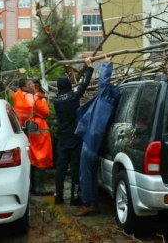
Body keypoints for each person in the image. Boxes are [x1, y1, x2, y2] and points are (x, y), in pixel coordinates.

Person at [74, 56, 119, 216]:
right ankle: (92, 203)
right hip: (93, 141)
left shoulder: (105, 101)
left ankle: (89, 204)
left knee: (86, 175)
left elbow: (103, 82)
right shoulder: (109, 103)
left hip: (91, 142)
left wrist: (106, 63)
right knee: (91, 175)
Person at [51, 57, 94, 205]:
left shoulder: (56, 100)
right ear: (69, 85)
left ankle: (59, 197)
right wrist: (89, 67)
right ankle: (75, 198)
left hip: (62, 139)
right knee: (75, 169)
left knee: (61, 169)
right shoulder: (73, 96)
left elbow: (75, 88)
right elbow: (84, 84)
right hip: (75, 138)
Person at [13, 78, 54, 195]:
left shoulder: (18, 95)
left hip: (28, 130)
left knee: (31, 158)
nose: (33, 85)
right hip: (38, 132)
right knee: (40, 158)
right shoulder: (33, 98)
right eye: (30, 84)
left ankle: (32, 186)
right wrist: (40, 97)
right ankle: (39, 188)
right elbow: (45, 112)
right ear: (24, 87)